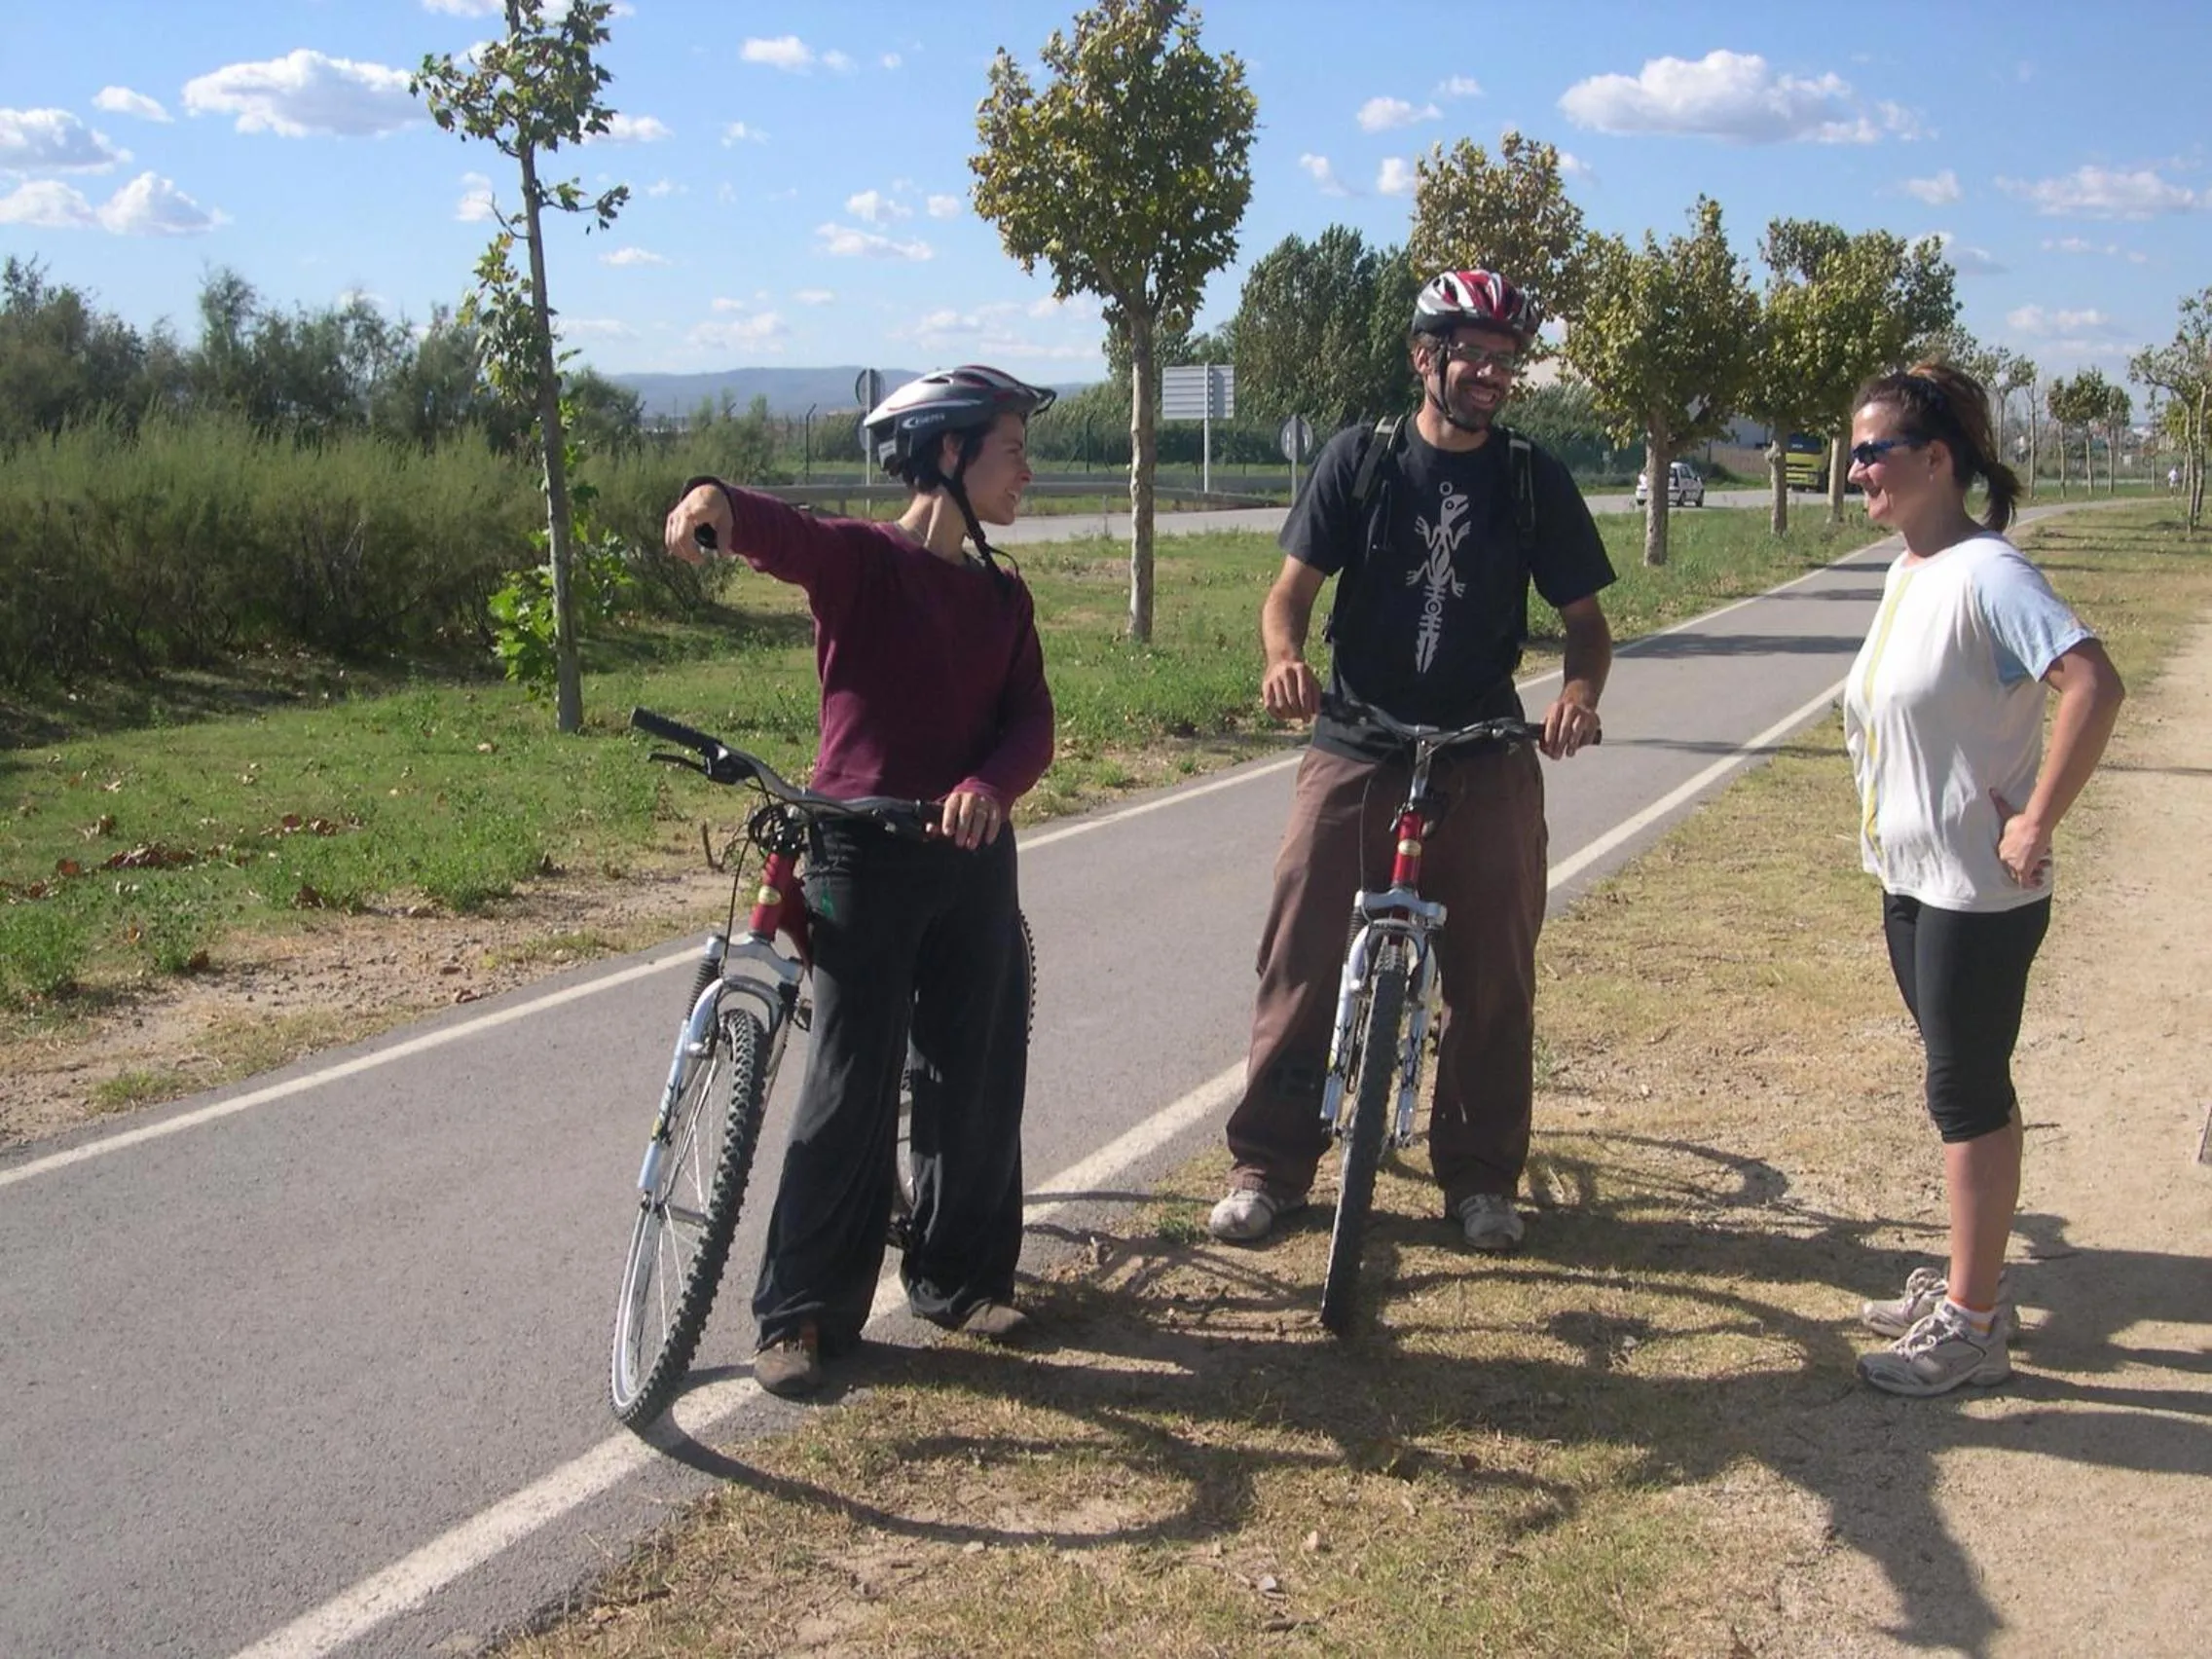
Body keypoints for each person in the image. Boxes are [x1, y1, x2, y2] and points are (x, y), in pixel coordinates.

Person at [663, 365, 1056, 1398]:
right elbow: (781, 533)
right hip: (860, 852)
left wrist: (988, 785)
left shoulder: (1003, 596)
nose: (1029, 472)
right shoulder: (865, 564)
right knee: (849, 1078)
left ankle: (962, 1281)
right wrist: (714, 501)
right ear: (949, 455)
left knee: (972, 1075)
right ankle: (800, 1314)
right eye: (1012, 450)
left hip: (970, 857)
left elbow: (1032, 724)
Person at [1207, 269, 1614, 1252]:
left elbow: (1586, 627)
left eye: (1505, 357)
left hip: (1483, 745)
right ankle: (1269, 1164)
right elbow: (1287, 597)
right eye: (1469, 350)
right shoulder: (1361, 461)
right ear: (1422, 357)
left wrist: (1576, 696)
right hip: (1358, 736)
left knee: (1492, 970)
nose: (1488, 370)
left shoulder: (1531, 477)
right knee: (1300, 946)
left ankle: (1478, 1180)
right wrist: (1283, 661)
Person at [1842, 360, 2124, 1397]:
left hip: (1976, 888)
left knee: (1961, 1091)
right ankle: (1972, 1279)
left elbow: (2092, 681)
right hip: (1913, 876)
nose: (1855, 469)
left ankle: (1970, 1323)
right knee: (1969, 1080)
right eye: (1852, 450)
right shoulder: (1906, 569)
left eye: (1873, 451)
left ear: (1936, 460)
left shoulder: (1986, 573)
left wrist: (2038, 816)